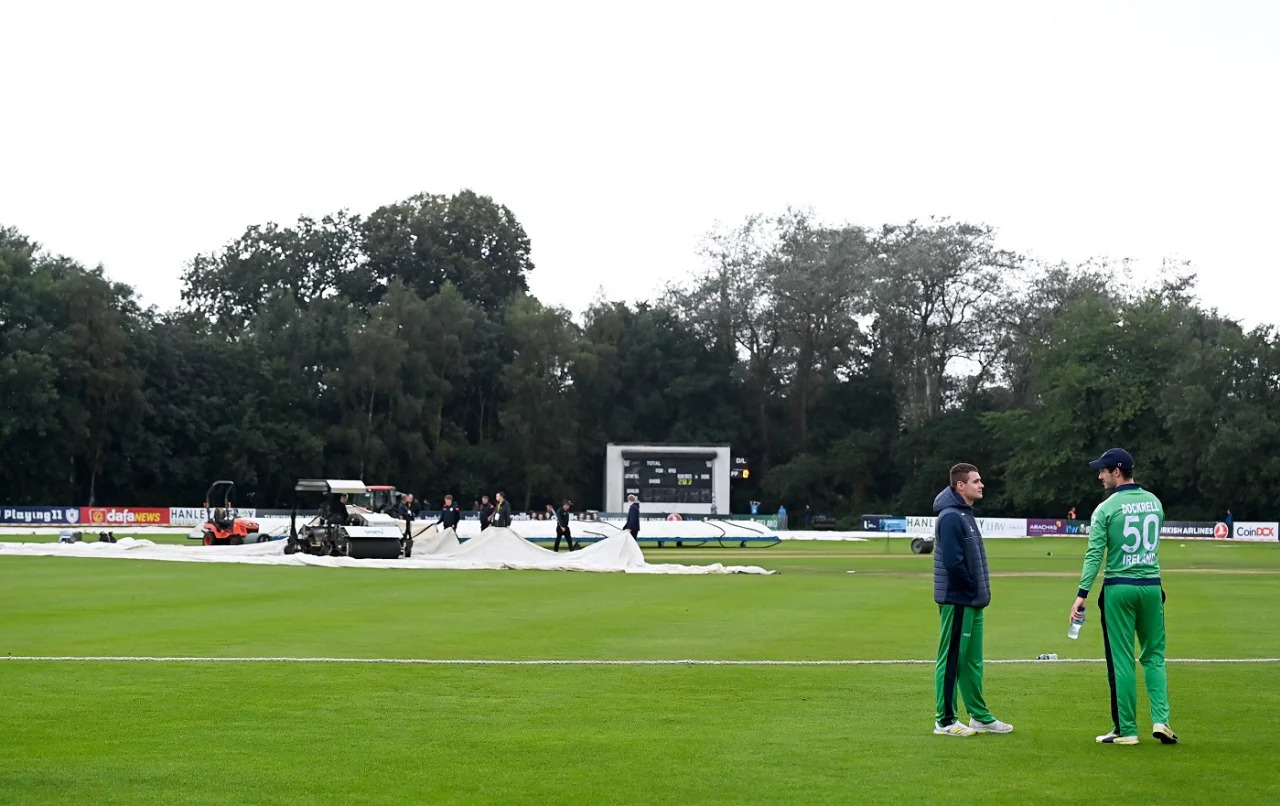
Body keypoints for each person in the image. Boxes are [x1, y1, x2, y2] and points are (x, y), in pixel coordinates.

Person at [1072, 448, 1176, 746]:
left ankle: (1127, 730)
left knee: (1122, 660)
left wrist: (1082, 594)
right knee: (1154, 656)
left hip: (1119, 586)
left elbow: (1094, 555)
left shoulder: (1106, 508)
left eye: (1103, 470)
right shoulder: (1155, 503)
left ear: (1117, 471)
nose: (1099, 475)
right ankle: (1161, 720)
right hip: (1152, 587)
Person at [932, 463, 1012, 737]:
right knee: (952, 659)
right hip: (958, 600)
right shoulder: (952, 517)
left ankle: (979, 716)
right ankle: (944, 721)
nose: (982, 484)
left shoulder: (965, 514)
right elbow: (953, 564)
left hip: (971, 600)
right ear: (960, 486)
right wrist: (970, 588)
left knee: (972, 661)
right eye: (976, 481)